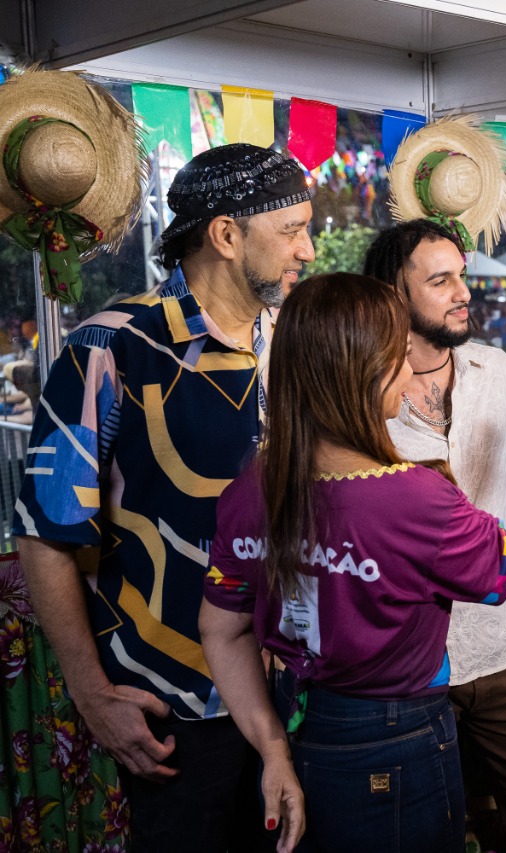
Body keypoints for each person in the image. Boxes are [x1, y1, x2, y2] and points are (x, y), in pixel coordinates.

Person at [199, 273, 506, 852]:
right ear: (363, 373)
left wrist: (272, 747)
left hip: (300, 725)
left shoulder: (250, 489)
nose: (408, 376)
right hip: (394, 741)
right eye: (398, 359)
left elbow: (221, 629)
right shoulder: (409, 498)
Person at [15, 142, 315, 851]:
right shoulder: (113, 346)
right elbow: (45, 532)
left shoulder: (293, 342)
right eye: (294, 228)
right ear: (227, 234)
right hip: (175, 706)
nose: (308, 247)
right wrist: (92, 695)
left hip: (292, 697)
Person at [364, 218, 506, 852]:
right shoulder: (361, 389)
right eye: (442, 280)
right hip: (411, 665)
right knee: (429, 830)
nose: (463, 293)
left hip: (503, 644)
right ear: (395, 294)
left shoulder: (495, 368)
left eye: (463, 277)